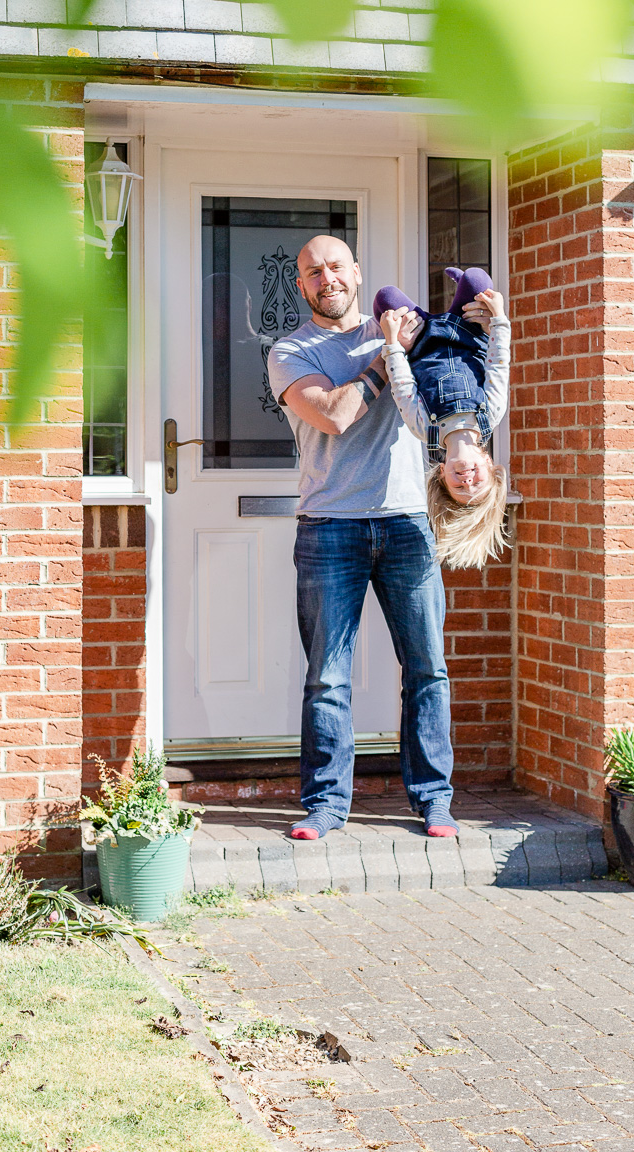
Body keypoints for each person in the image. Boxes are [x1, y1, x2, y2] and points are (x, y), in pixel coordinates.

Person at [267, 236, 465, 840]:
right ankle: (327, 805)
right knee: (328, 675)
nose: (326, 278)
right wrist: (386, 358)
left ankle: (433, 799)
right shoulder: (290, 351)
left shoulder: (403, 327)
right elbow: (333, 413)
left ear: (356, 272)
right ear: (301, 286)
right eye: (312, 272)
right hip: (330, 526)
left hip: (407, 520)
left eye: (335, 266)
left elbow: (459, 383)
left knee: (427, 668)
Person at [374, 267, 512, 570]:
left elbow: (402, 385)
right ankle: (463, 285)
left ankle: (435, 305)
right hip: (468, 332)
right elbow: (499, 363)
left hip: (421, 340)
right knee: (479, 281)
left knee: (385, 298)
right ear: (490, 467)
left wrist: (394, 344)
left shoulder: (423, 428)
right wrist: (499, 320)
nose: (467, 480)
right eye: (478, 483)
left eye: (459, 488)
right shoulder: (491, 414)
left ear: (442, 475)